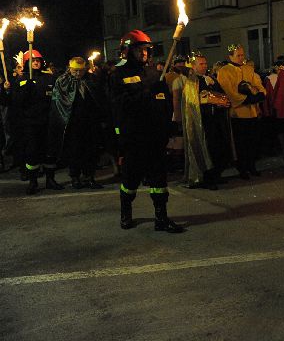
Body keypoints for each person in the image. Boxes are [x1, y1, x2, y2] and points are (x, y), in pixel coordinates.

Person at [110, 29, 183, 233]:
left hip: (155, 136)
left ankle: (161, 218)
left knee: (159, 179)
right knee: (131, 179)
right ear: (127, 51)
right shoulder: (118, 75)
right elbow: (122, 105)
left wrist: (169, 124)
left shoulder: (154, 74)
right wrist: (148, 93)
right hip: (134, 137)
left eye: (146, 50)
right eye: (139, 50)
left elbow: (164, 104)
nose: (144, 54)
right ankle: (126, 212)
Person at [48, 57, 107, 189]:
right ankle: (75, 177)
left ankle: (89, 177)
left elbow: (100, 98)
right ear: (70, 68)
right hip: (73, 122)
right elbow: (58, 102)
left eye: (81, 71)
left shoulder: (91, 79)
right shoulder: (62, 81)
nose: (78, 74)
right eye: (75, 71)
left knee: (91, 150)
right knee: (75, 151)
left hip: (90, 121)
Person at [14, 49, 63, 194]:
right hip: (30, 123)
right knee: (32, 153)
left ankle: (50, 180)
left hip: (48, 121)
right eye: (33, 61)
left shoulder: (49, 78)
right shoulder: (21, 80)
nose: (36, 63)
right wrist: (25, 89)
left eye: (38, 61)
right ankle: (33, 182)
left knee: (50, 152)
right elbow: (16, 102)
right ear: (27, 63)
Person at [181, 54, 232, 188]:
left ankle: (217, 175)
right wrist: (210, 100)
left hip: (216, 118)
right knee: (207, 149)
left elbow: (222, 94)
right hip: (203, 121)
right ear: (193, 66)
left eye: (205, 63)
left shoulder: (211, 79)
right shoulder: (192, 82)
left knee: (218, 148)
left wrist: (223, 102)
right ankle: (208, 179)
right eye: (201, 64)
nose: (204, 66)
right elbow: (192, 103)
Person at [217, 44, 266, 178]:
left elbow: (257, 84)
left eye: (242, 55)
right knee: (240, 143)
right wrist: (245, 99)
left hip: (252, 112)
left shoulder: (248, 68)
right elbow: (228, 90)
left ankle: (252, 165)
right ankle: (242, 168)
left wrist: (261, 94)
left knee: (252, 141)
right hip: (237, 113)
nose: (240, 58)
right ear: (230, 56)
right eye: (238, 55)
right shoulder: (225, 71)